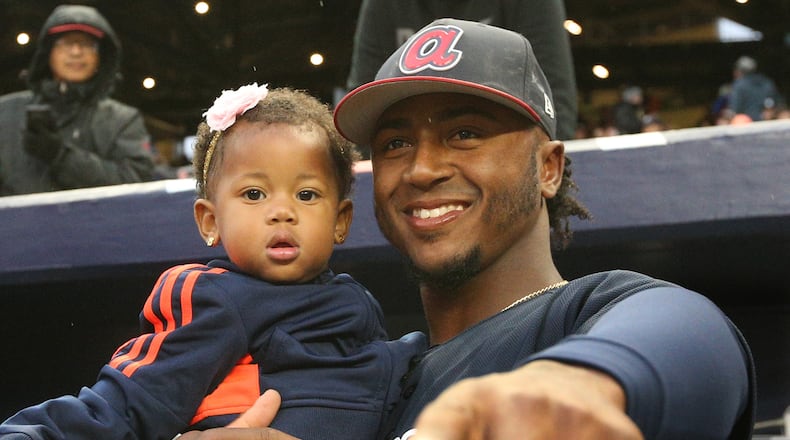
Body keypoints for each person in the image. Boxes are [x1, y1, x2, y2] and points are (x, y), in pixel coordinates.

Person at [183, 19, 755, 440]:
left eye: (465, 133)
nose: (422, 168)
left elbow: (691, 337)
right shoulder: (368, 372)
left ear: (548, 167)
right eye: (396, 143)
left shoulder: (593, 315)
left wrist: (577, 385)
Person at [0, 84, 425, 439]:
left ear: (340, 220)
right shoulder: (214, 297)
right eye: (254, 194)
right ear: (209, 221)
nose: (282, 212)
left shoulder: (355, 299)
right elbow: (126, 405)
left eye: (307, 194)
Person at [345, 0, 579, 141]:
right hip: (412, 143)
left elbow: (555, 101)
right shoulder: (381, 5)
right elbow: (363, 108)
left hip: (499, 151)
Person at [0, 5, 154, 196]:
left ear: (101, 56)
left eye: (87, 44)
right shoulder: (5, 112)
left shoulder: (122, 120)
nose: (75, 52)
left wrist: (61, 156)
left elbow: (138, 185)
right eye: (65, 43)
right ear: (48, 52)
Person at [728, 55, 785, 122]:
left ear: (739, 71)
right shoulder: (767, 81)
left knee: (738, 119)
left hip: (747, 124)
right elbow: (776, 103)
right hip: (767, 122)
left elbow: (735, 108)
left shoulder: (739, 85)